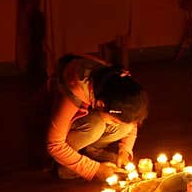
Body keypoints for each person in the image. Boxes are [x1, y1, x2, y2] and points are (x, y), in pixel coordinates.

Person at [46, 53, 148, 181]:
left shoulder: (121, 85)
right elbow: (54, 144)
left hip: (87, 111)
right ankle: (62, 166)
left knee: (125, 127)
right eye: (113, 120)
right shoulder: (75, 90)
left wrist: (125, 150)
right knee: (96, 125)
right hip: (54, 123)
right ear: (100, 104)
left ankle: (89, 153)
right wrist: (95, 170)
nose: (115, 124)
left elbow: (131, 122)